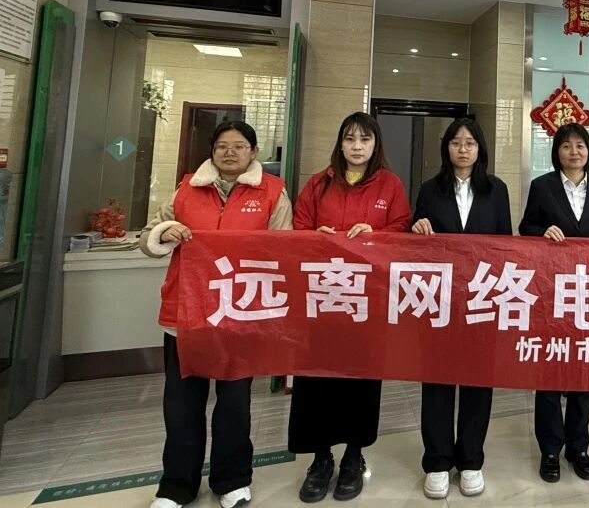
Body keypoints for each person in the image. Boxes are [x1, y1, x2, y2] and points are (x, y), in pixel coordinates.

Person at [141, 121, 293, 508]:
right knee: (182, 405)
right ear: (212, 150)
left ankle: (232, 481)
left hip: (240, 314)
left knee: (234, 404)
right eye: (222, 145)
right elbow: (148, 235)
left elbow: (285, 248)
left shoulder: (272, 191)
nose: (230, 152)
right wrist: (165, 232)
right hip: (186, 314)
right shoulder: (186, 188)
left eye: (239, 146)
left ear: (254, 152)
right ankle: (176, 486)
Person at [288, 112, 412, 503]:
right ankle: (320, 458)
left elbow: (403, 230)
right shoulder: (318, 183)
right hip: (322, 298)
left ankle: (354, 457)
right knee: (317, 381)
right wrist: (316, 236)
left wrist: (377, 234)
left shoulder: (390, 184)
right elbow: (297, 230)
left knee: (361, 380)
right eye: (350, 139)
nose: (357, 146)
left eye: (365, 139)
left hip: (367, 300)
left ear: (376, 144)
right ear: (340, 143)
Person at [519, 123, 589, 484]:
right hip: (553, 292)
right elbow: (525, 227)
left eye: (580, 145)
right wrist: (542, 231)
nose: (574, 152)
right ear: (557, 152)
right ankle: (550, 450)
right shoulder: (542, 186)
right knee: (551, 374)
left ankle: (578, 448)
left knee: (584, 371)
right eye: (566, 146)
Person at [411, 118, 512, 499]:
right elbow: (413, 243)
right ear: (446, 148)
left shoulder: (496, 190)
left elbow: (506, 244)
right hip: (439, 300)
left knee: (477, 382)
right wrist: (416, 228)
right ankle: (437, 461)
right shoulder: (429, 189)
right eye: (456, 142)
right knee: (437, 381)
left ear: (480, 148)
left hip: (482, 299)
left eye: (470, 142)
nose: (463, 149)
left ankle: (471, 459)